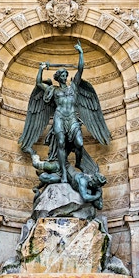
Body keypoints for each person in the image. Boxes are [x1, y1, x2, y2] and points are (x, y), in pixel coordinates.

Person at [36, 41, 85, 183]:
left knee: (80, 143)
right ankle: (63, 173)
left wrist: (80, 53)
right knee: (61, 143)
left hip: (71, 117)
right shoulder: (54, 90)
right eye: (62, 75)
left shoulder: (73, 87)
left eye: (65, 74)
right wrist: (41, 69)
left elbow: (80, 70)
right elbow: (39, 83)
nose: (64, 76)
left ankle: (79, 163)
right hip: (59, 117)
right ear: (58, 77)